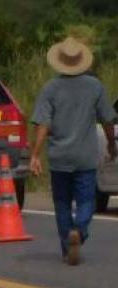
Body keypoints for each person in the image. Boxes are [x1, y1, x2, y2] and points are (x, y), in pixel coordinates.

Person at [31, 37, 117, 265]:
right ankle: (79, 230)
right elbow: (108, 120)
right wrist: (112, 144)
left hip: (59, 157)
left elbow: (43, 124)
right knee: (86, 201)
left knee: (61, 203)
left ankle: (67, 248)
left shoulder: (50, 88)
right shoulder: (95, 86)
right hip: (85, 157)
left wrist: (35, 154)